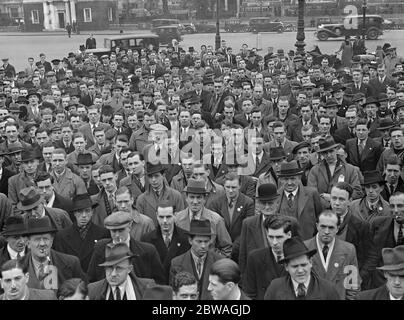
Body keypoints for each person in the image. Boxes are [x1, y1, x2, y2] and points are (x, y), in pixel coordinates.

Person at [86, 210, 166, 284]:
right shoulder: (100, 248)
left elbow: (159, 282)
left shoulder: (148, 251)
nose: (117, 235)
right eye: (113, 231)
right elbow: (91, 279)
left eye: (121, 230)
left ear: (130, 226)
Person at [238, 183, 301, 274]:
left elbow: (298, 252)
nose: (267, 207)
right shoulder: (248, 224)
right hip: (258, 277)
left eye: (270, 203)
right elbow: (243, 256)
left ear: (277, 202)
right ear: (258, 204)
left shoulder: (291, 222)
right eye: (263, 203)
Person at [304, 210, 360, 300]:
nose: (326, 231)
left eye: (331, 228)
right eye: (323, 226)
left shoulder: (349, 250)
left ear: (337, 228)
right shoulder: (304, 248)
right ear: (317, 226)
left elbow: (353, 285)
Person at [263, 237, 340, 300]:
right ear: (286, 267)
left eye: (303, 265)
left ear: (310, 262)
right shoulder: (275, 288)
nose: (300, 270)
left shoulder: (328, 289)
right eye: (295, 266)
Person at [20, 216, 85, 290]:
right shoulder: (17, 267)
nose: (42, 244)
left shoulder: (71, 263)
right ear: (28, 243)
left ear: (52, 241)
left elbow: (82, 292)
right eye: (37, 239)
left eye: (45, 239)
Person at [174, 178, 232, 258]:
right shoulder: (177, 219)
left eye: (198, 197)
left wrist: (216, 264)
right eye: (192, 197)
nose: (195, 202)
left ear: (204, 199)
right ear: (186, 198)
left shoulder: (216, 220)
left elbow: (227, 248)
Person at [52, 193, 110, 271]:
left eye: (87, 211)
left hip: (94, 281)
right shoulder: (61, 236)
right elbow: (60, 264)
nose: (84, 215)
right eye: (80, 211)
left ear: (92, 212)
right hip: (71, 280)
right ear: (74, 213)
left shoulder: (103, 234)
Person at [169, 220, 225, 300]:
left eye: (206, 242)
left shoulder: (219, 262)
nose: (203, 245)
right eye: (199, 241)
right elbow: (173, 292)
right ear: (190, 240)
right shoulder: (177, 263)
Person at [244, 215, 292, 300]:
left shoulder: (297, 259)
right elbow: (249, 293)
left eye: (279, 237)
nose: (274, 242)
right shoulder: (255, 258)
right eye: (271, 237)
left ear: (289, 235)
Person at [141, 201, 190, 280]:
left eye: (168, 217)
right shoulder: (147, 239)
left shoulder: (186, 238)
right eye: (161, 217)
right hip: (157, 288)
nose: (164, 221)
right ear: (156, 216)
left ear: (175, 215)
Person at [88, 242, 155, 300]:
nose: (113, 274)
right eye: (109, 268)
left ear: (129, 269)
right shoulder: (93, 290)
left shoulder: (147, 288)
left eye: (119, 268)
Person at [276, 161, 323, 240]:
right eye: (286, 179)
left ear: (299, 178)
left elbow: (320, 218)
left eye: (293, 178)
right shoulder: (275, 197)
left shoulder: (312, 194)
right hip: (283, 244)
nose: (289, 183)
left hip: (307, 243)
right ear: (280, 180)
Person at [370, 191, 404, 288]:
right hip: (379, 283)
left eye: (400, 206)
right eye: (392, 206)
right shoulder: (377, 224)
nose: (396, 210)